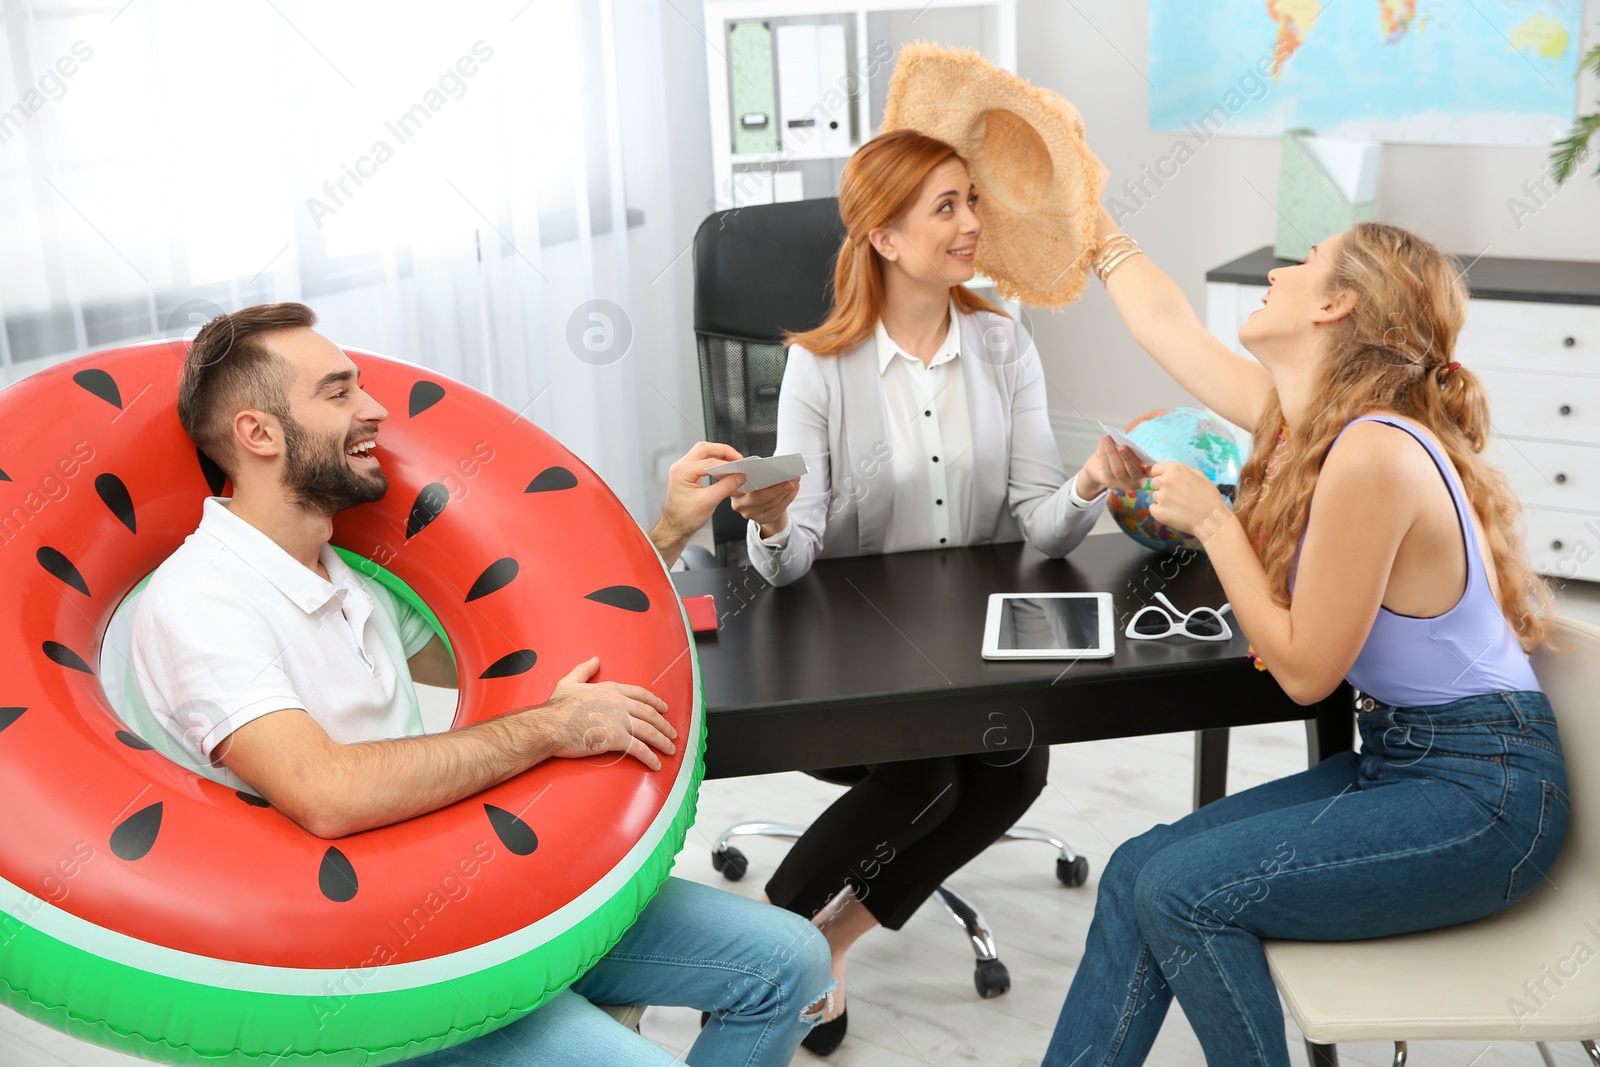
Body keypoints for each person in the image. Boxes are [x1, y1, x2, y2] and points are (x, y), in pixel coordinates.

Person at [129, 302, 833, 1067]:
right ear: (258, 434)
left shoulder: (345, 573)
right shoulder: (200, 601)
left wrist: (666, 531)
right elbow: (325, 792)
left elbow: (531, 649)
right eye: (338, 393)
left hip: (468, 891)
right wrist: (547, 729)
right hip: (361, 967)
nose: (374, 409)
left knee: (791, 959)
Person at [1041, 212, 1568, 1067]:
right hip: (1410, 763)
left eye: (1305, 262)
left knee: (1184, 893)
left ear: (1337, 306)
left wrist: (1216, 522)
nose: (1279, 272)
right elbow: (1163, 323)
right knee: (1140, 868)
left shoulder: (1373, 453)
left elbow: (1304, 673)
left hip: (1486, 794)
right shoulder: (1312, 427)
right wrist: (1096, 229)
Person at [726, 129, 1146, 1056]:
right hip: (854, 654)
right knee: (924, 779)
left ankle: (825, 942)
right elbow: (791, 562)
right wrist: (769, 519)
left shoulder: (1002, 343)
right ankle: (757, 947)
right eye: (946, 207)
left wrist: (1087, 484)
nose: (972, 224)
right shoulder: (821, 364)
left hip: (972, 641)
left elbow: (1039, 522)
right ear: (884, 237)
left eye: (972, 201)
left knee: (1015, 764)